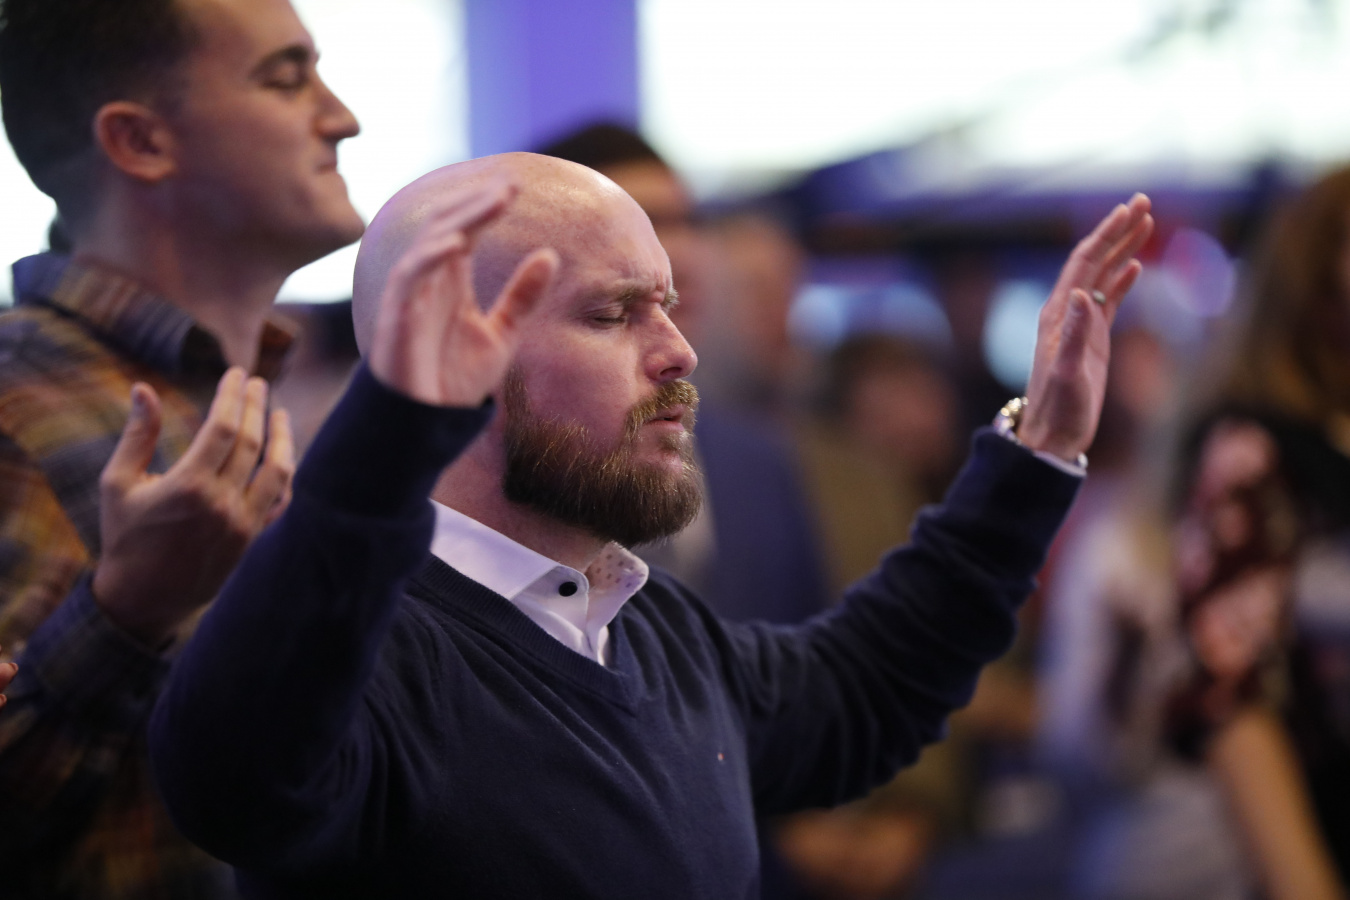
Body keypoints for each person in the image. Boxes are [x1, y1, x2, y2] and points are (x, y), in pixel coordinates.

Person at [148, 153, 1151, 898]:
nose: (679, 351)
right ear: (458, 351)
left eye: (666, 306)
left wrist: (1036, 453)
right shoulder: (363, 659)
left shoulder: (647, 623)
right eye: (611, 314)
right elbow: (233, 770)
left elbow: (861, 688)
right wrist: (390, 431)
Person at [0, 0, 363, 894]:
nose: (342, 117)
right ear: (140, 142)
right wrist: (128, 612)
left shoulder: (252, 400)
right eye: (286, 79)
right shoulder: (15, 406)